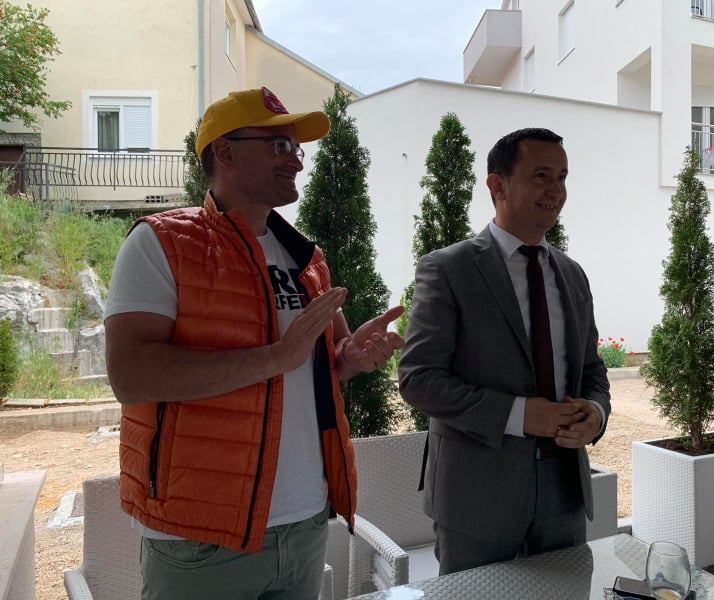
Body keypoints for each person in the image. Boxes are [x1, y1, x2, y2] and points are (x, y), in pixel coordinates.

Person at [104, 86, 403, 600]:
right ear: (224, 151)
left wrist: (350, 358)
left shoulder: (306, 257)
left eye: (296, 148)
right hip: (201, 537)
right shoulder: (161, 243)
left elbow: (325, 362)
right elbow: (131, 376)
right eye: (279, 146)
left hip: (305, 521)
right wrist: (276, 357)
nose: (296, 161)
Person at [398, 127, 611, 576]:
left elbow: (592, 371)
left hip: (564, 493)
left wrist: (595, 414)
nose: (556, 191)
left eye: (562, 177)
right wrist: (519, 415)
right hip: (476, 497)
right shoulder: (448, 269)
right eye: (541, 176)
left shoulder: (573, 275)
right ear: (497, 185)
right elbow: (418, 379)